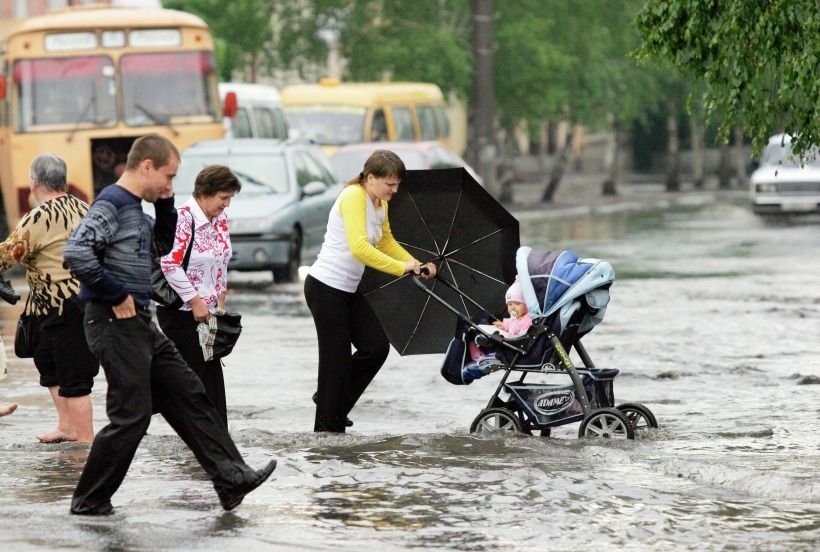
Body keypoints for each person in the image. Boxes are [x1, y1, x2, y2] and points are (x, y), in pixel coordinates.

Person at [63, 134, 275, 515]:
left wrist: (163, 206)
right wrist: (115, 294)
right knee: (131, 417)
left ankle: (230, 479)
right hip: (112, 320)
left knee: (189, 393)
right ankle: (89, 500)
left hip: (140, 320)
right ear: (147, 166)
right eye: (168, 177)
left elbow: (162, 249)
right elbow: (77, 252)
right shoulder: (111, 203)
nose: (171, 186)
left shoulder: (137, 209)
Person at [304, 149, 436, 433]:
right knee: (335, 363)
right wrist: (402, 268)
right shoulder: (354, 196)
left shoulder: (380, 203)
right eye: (390, 184)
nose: (395, 189)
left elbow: (386, 240)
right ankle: (327, 434)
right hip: (325, 288)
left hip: (348, 290)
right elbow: (360, 248)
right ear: (371, 177)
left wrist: (415, 264)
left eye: (398, 184)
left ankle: (331, 400)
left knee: (376, 348)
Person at [0, 153, 100, 444]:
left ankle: (85, 443)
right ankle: (67, 426)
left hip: (66, 306)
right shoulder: (85, 208)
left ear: (34, 183)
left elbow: (8, 256)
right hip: (78, 303)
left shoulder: (39, 217)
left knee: (75, 380)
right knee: (47, 359)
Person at [156, 165, 241, 427]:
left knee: (206, 377)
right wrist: (195, 301)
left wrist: (220, 303)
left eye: (229, 199)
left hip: (207, 314)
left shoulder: (220, 220)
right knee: (200, 378)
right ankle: (212, 439)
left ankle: (211, 436)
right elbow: (169, 264)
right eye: (223, 198)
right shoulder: (183, 218)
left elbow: (222, 261)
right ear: (204, 193)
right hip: (180, 313)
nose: (226, 205)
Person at [468, 276, 533, 363]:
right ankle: (481, 348)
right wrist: (505, 325)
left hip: (515, 346)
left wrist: (511, 339)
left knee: (498, 344)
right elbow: (512, 323)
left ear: (527, 304)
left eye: (517, 304)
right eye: (509, 304)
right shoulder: (517, 317)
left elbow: (524, 339)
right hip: (510, 342)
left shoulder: (527, 320)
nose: (513, 307)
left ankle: (483, 356)